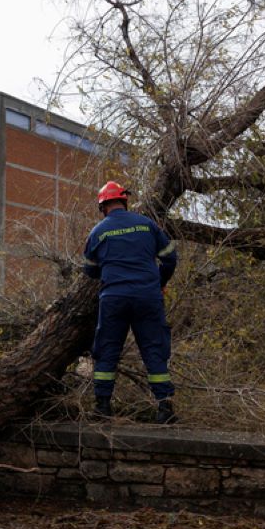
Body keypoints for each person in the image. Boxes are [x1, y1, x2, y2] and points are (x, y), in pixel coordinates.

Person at [82, 181, 179, 424]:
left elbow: (90, 271)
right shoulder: (147, 225)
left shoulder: (97, 232)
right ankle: (164, 408)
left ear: (103, 206)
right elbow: (170, 258)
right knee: (154, 349)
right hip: (147, 296)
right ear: (124, 201)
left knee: (108, 349)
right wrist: (160, 282)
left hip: (113, 298)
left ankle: (102, 407)